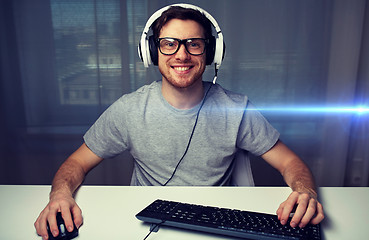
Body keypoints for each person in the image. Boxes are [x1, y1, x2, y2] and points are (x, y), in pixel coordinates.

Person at [35, 4, 324, 240]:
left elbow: (290, 163)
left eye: (193, 44)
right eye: (169, 44)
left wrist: (305, 192)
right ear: (152, 52)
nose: (182, 55)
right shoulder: (129, 109)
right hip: (146, 225)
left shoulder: (236, 109)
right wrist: (60, 196)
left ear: (210, 53)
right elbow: (76, 163)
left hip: (216, 225)